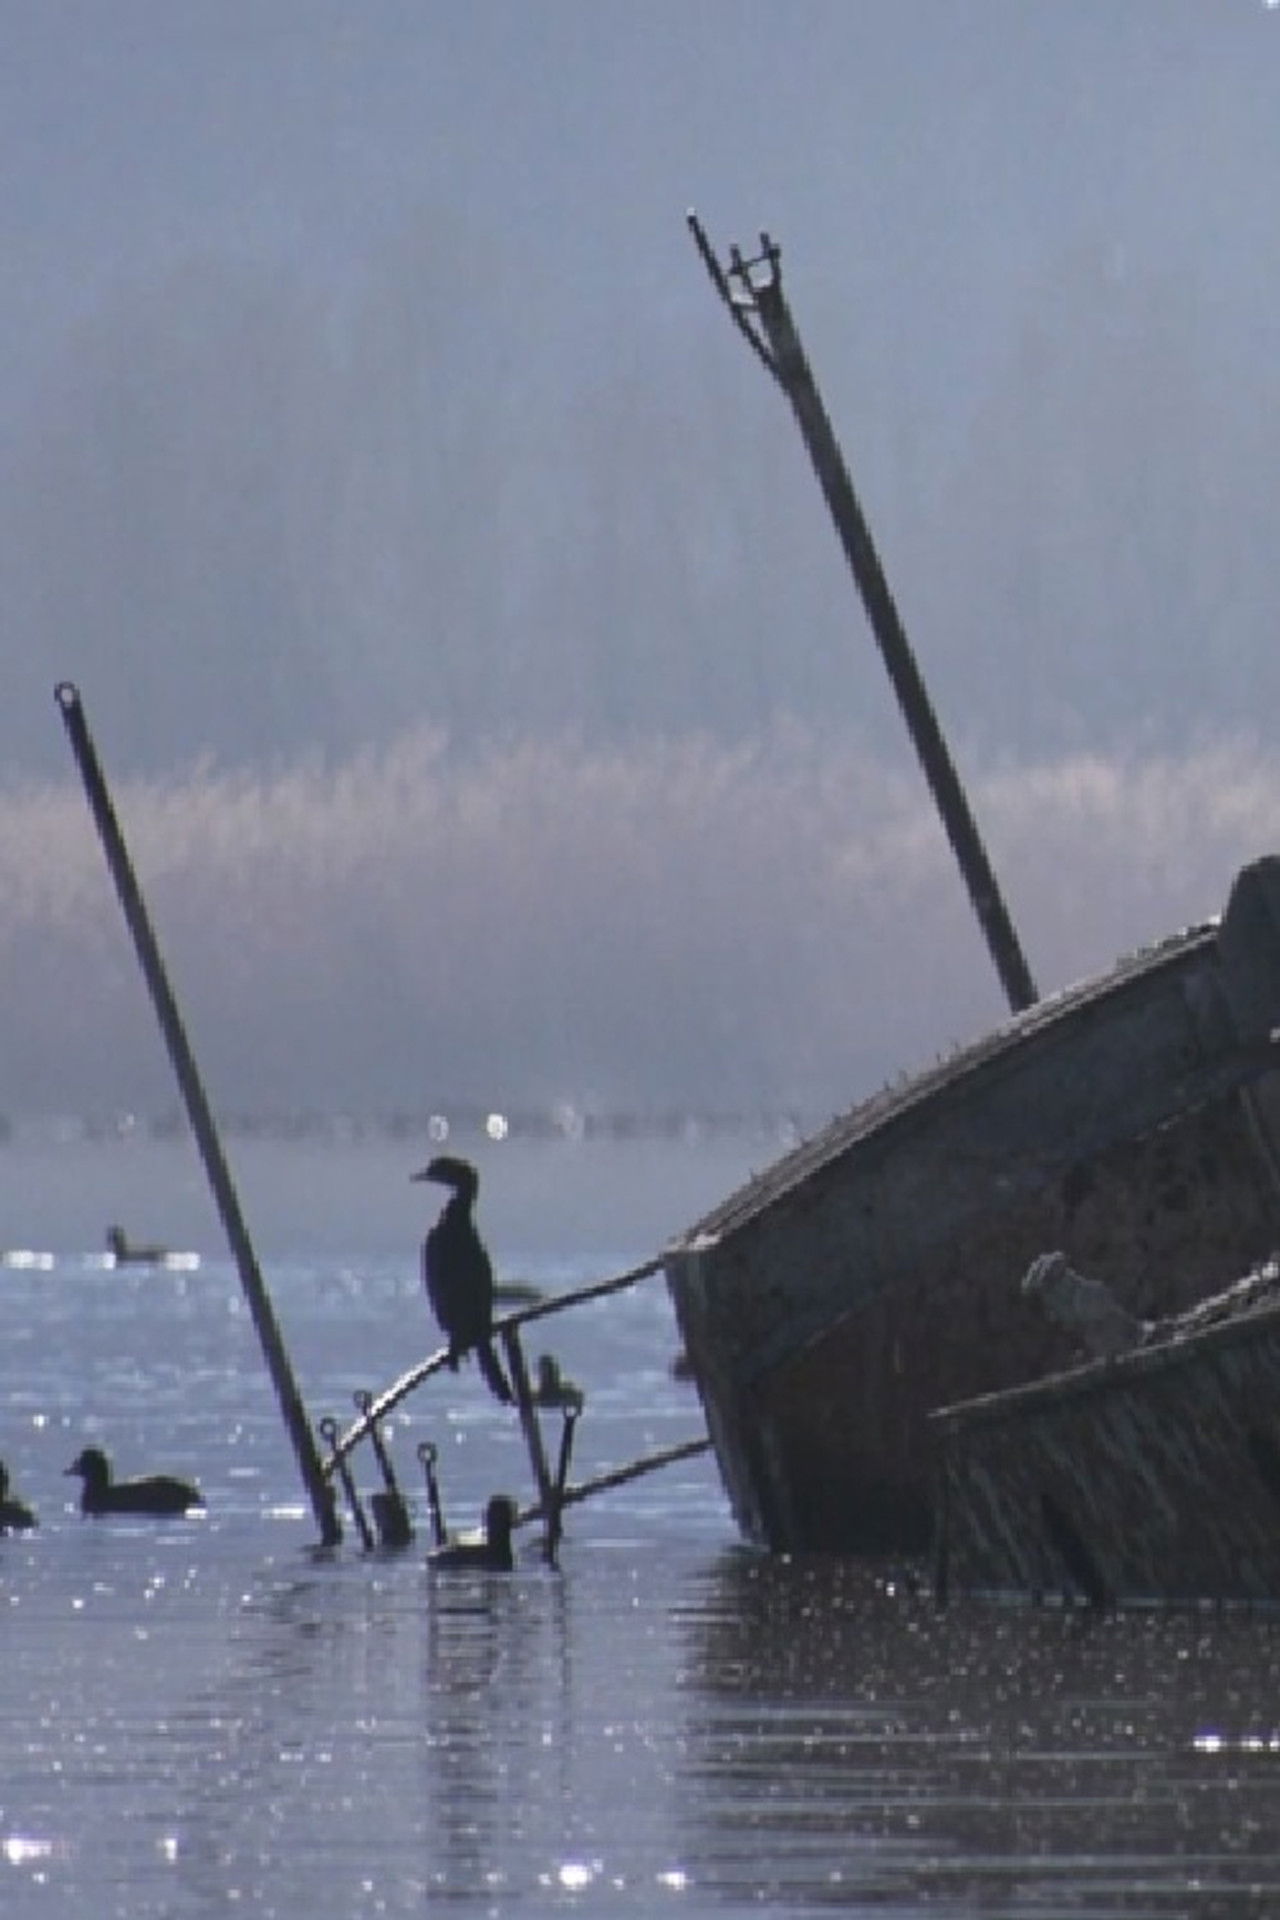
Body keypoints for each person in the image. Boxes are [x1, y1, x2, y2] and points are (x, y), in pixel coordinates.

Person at [411, 1156, 513, 1404]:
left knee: (486, 1358)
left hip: (466, 1324)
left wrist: (458, 1334)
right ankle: (506, 1393)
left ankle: (506, 1394)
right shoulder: (465, 1241)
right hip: (475, 1325)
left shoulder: (444, 1240)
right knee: (487, 1357)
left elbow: (449, 1293)